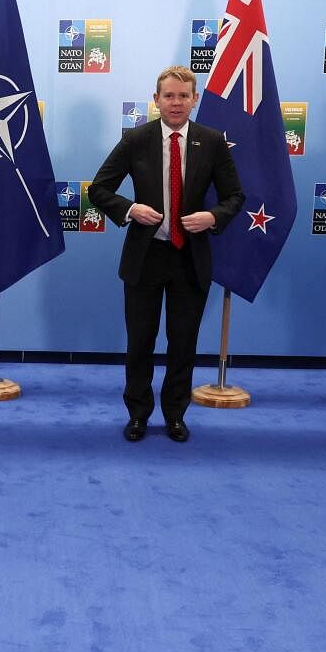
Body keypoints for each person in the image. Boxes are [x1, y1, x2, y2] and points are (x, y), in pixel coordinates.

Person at [88, 65, 243, 443]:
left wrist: (213, 216)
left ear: (195, 99)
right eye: (168, 96)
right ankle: (138, 414)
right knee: (140, 341)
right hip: (146, 256)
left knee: (183, 341)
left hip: (190, 258)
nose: (176, 103)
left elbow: (235, 197)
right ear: (155, 100)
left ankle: (175, 415)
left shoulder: (212, 141)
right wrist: (130, 209)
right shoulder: (136, 140)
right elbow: (99, 188)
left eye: (183, 96)